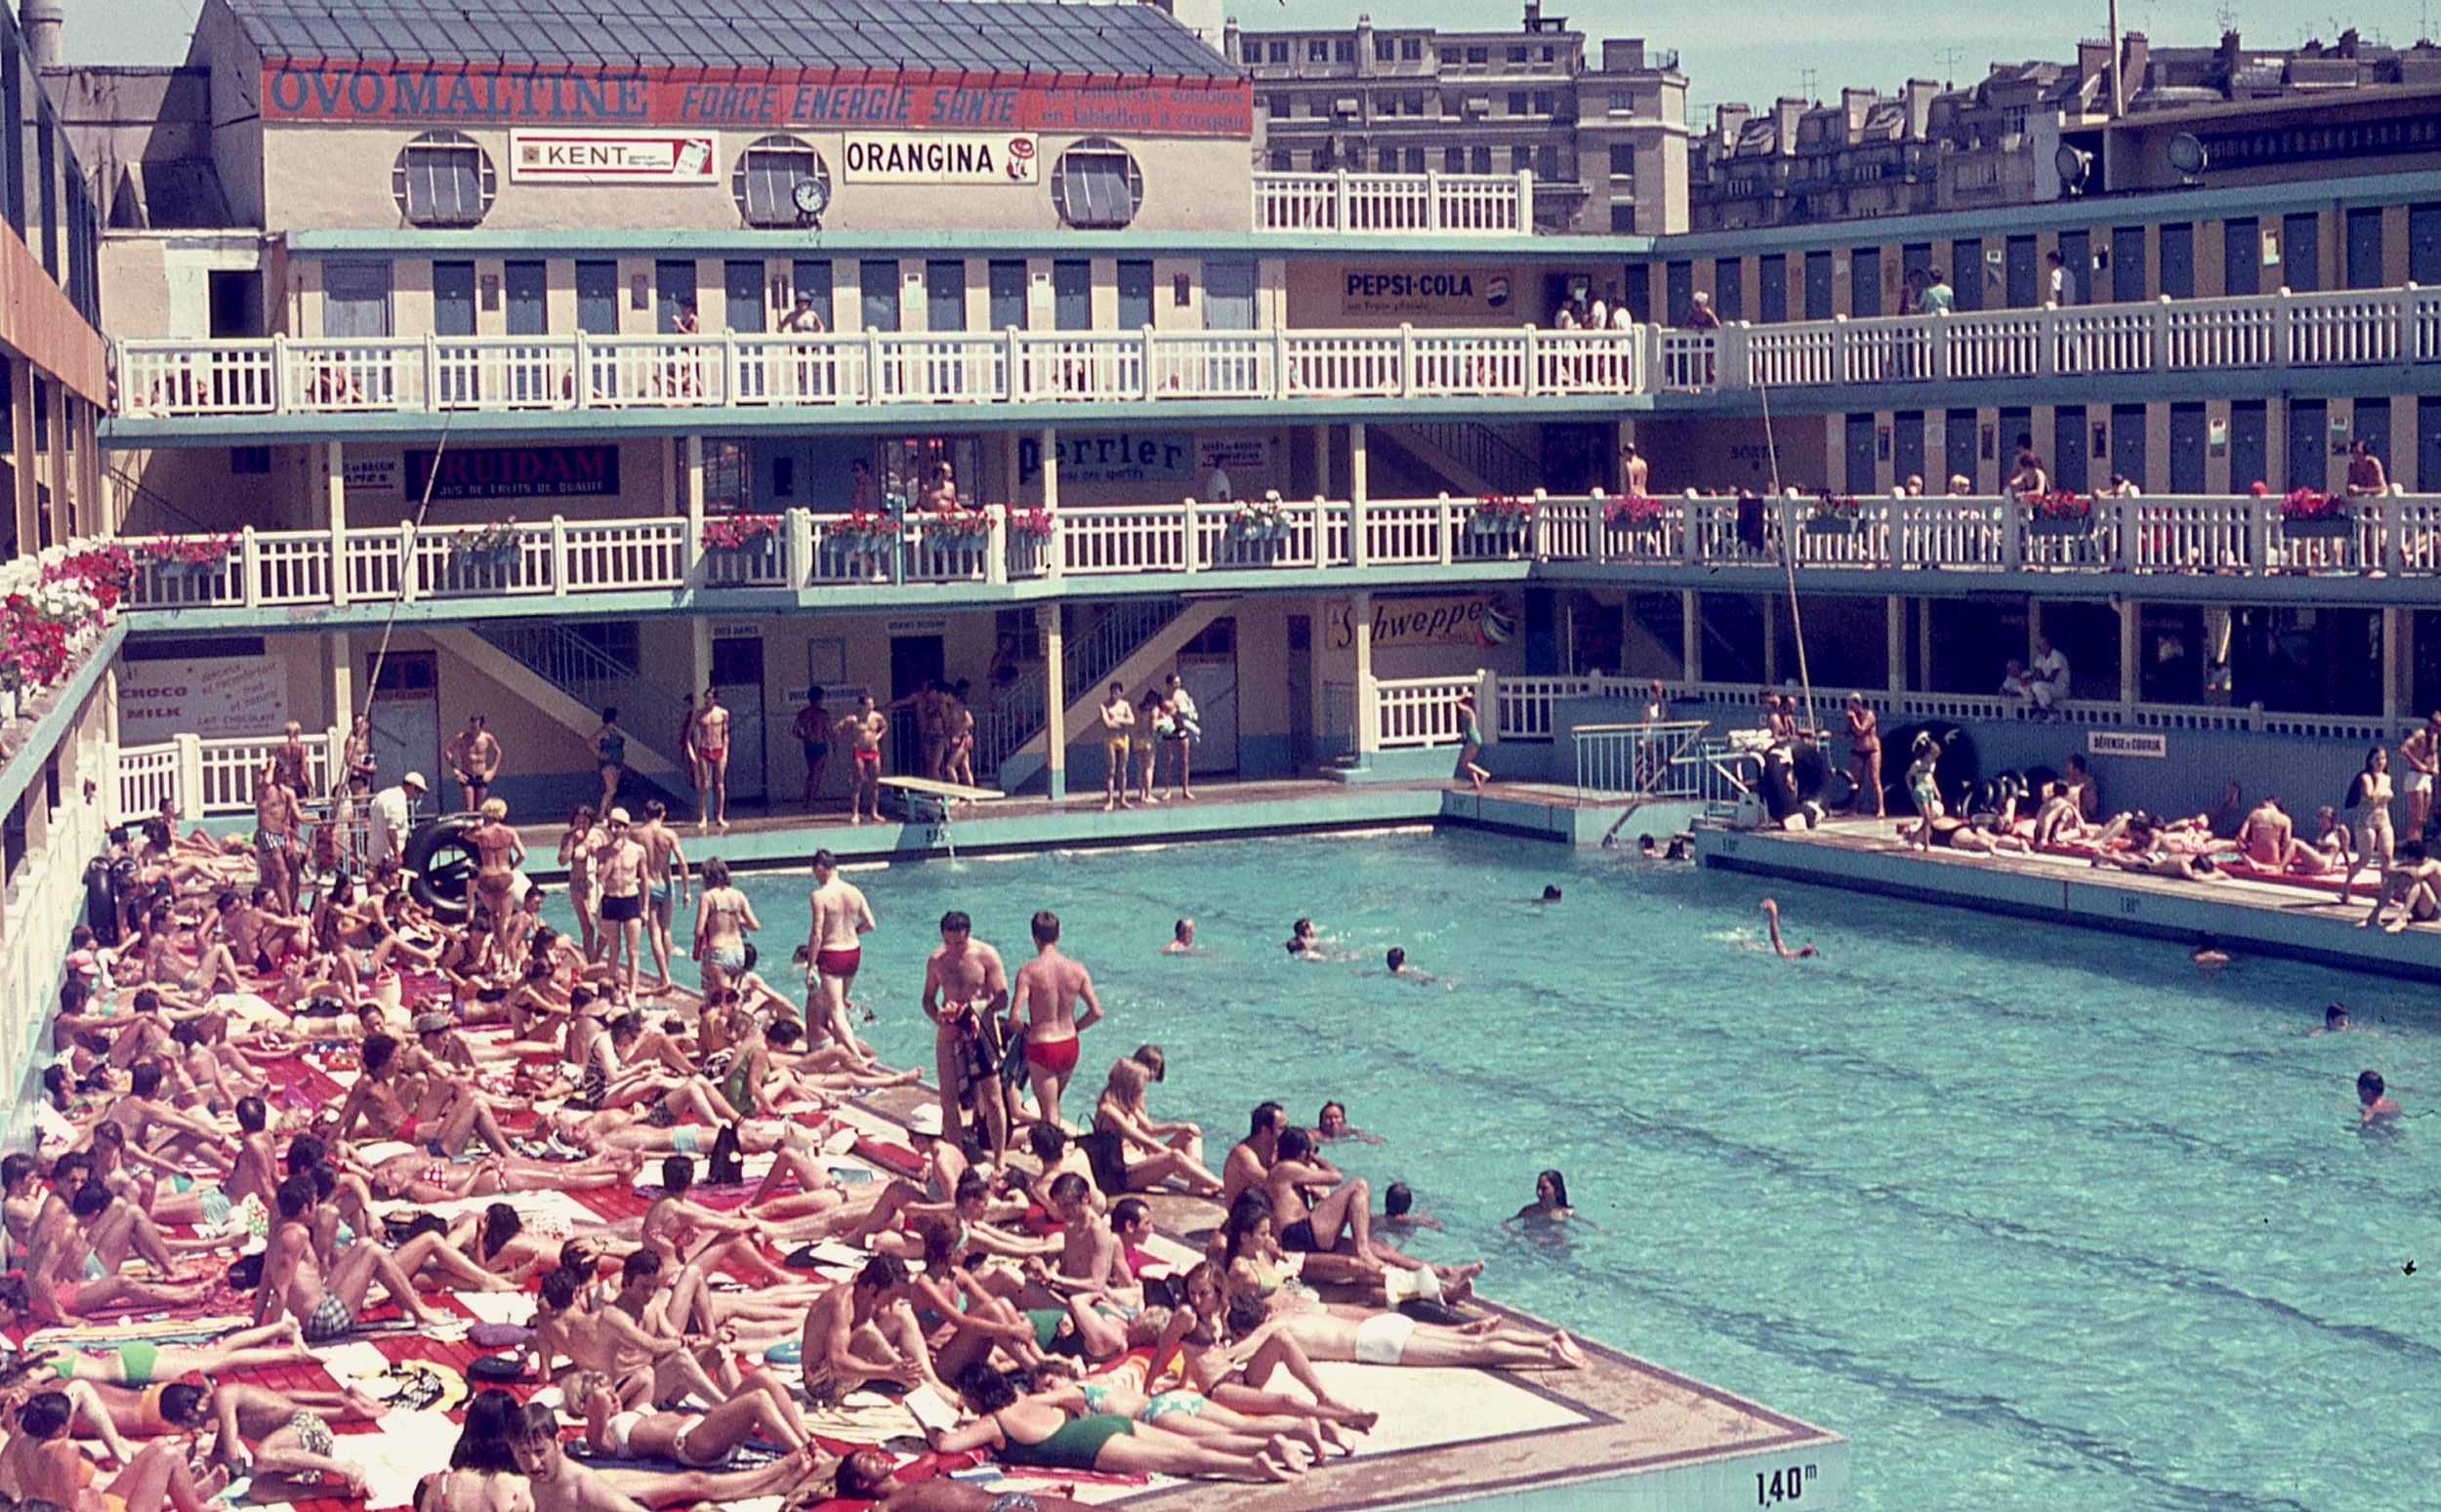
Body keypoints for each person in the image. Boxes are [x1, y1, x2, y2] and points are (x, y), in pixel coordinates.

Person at [924, 909, 1011, 1163]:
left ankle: (999, 1159)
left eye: (959, 943)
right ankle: (957, 1158)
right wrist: (937, 1014)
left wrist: (972, 1010)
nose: (954, 948)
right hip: (949, 1032)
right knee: (948, 1099)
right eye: (948, 942)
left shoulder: (986, 956)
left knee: (993, 1098)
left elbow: (1002, 997)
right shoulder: (937, 960)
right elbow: (928, 999)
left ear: (968, 935)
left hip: (980, 1030)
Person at [1012, 909, 1102, 1132]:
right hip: (1069, 1044)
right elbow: (1096, 1012)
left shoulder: (1028, 972)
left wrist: (1027, 1031)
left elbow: (1014, 1018)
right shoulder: (1077, 969)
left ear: (1034, 938)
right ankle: (1054, 1154)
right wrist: (1076, 1027)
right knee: (1054, 1107)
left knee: (1049, 1113)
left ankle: (1053, 1162)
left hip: (1042, 1046)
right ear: (1059, 934)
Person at [807, 848, 877, 1061]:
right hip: (853, 952)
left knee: (836, 1010)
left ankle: (857, 1058)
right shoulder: (854, 891)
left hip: (832, 954)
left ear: (821, 869)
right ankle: (842, 1052)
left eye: (815, 872)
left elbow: (817, 933)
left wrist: (810, 965)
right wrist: (852, 932)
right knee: (839, 1004)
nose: (815, 877)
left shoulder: (820, 896)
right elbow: (870, 924)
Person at [593, 808, 648, 1005]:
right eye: (612, 826)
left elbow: (644, 881)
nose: (614, 830)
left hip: (631, 899)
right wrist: (612, 856)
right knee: (614, 950)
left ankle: (632, 991)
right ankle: (610, 989)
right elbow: (601, 878)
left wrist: (645, 908)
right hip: (611, 899)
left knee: (632, 950)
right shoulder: (603, 852)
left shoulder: (638, 850)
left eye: (618, 826)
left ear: (626, 828)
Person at [634, 799, 688, 996]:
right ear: (662, 814)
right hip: (666, 885)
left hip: (647, 885)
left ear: (645, 814)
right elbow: (682, 863)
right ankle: (665, 974)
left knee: (654, 933)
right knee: (666, 930)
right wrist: (687, 890)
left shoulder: (637, 834)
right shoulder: (669, 835)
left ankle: (664, 976)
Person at [689, 855, 758, 996]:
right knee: (732, 995)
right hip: (738, 952)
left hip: (719, 952)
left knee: (722, 999)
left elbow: (699, 930)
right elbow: (755, 925)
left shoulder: (707, 897)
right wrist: (735, 919)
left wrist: (696, 950)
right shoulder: (739, 895)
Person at [468, 797, 525, 962]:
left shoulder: (481, 834)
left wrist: (474, 826)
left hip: (486, 876)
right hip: (504, 874)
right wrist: (511, 866)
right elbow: (523, 854)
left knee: (493, 915)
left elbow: (465, 836)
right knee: (505, 919)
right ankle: (506, 958)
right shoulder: (509, 832)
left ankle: (495, 952)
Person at [2342, 746, 2396, 905]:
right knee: (2364, 859)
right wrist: (2380, 783)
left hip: (2384, 820)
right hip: (2367, 821)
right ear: (2371, 761)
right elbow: (2371, 797)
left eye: (2384, 758)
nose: (2381, 762)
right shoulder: (2367, 777)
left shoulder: (2387, 777)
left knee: (2387, 857)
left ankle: (2386, 894)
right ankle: (2347, 886)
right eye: (2377, 759)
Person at [1505, 1168, 1604, 1233]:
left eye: (1544, 1189)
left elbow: (1588, 1224)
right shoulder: (1529, 1210)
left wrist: (1602, 1231)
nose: (1539, 1192)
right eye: (1538, 1188)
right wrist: (1517, 1234)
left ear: (1556, 1189)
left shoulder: (1565, 1212)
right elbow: (1506, 1223)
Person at [839, 694, 887, 824]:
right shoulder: (854, 718)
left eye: (872, 704)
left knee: (874, 782)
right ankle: (855, 813)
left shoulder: (877, 717)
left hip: (873, 750)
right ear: (862, 706)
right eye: (868, 704)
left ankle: (874, 812)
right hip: (860, 751)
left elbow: (884, 727)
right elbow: (839, 727)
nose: (871, 707)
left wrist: (878, 737)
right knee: (857, 782)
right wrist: (848, 739)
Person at [445, 713, 502, 813]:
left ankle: (480, 828)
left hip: (481, 775)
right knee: (469, 809)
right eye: (472, 727)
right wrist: (456, 770)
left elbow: (498, 752)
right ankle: (469, 828)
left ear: (481, 727)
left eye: (475, 727)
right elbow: (447, 751)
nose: (473, 730)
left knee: (481, 808)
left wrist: (492, 771)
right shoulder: (463, 737)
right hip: (467, 774)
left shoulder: (487, 738)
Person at [370, 770, 425, 871]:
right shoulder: (398, 801)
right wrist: (397, 854)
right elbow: (392, 829)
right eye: (418, 791)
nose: (418, 795)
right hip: (388, 857)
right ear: (411, 787)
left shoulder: (384, 794)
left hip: (375, 852)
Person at [693, 689, 730, 833]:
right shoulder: (698, 714)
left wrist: (725, 752)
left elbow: (725, 735)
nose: (707, 701)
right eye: (705, 699)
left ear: (714, 699)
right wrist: (692, 752)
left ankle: (719, 816)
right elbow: (690, 734)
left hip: (718, 749)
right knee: (704, 783)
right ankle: (703, 816)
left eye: (709, 699)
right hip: (704, 748)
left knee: (719, 784)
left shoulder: (723, 713)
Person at [2400, 713, 2438, 842]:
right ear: (2430, 723)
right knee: (2416, 817)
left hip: (2427, 777)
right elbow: (2404, 750)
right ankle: (2411, 848)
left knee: (2423, 819)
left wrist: (2436, 766)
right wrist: (2418, 764)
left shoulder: (2435, 737)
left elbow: (2433, 754)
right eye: (2437, 725)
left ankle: (2418, 846)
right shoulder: (2419, 735)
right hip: (2415, 776)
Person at [1162, 671, 1199, 800]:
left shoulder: (1183, 694)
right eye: (1174, 683)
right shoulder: (1164, 698)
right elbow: (1161, 715)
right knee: (1168, 760)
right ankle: (1168, 790)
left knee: (1184, 760)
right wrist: (1170, 713)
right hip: (1169, 729)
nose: (1177, 686)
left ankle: (1185, 789)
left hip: (1181, 727)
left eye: (1178, 683)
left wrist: (1186, 712)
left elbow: (1191, 709)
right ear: (1168, 685)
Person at [1843, 693, 1882, 818]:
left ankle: (1881, 808)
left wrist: (1853, 718)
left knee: (1874, 779)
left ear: (1858, 704)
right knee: (1857, 781)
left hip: (1872, 750)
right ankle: (1855, 807)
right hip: (1858, 751)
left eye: (1852, 705)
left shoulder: (1869, 715)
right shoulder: (1852, 717)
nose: (1850, 708)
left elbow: (1861, 730)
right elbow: (1848, 733)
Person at [1098, 681, 1135, 811]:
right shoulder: (1104, 706)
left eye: (1117, 692)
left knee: (1123, 770)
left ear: (1120, 693)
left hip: (1123, 739)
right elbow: (1107, 724)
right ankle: (1110, 800)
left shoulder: (1125, 705)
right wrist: (1122, 722)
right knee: (1111, 771)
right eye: (1112, 692)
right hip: (1111, 740)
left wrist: (1117, 720)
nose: (1114, 695)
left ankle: (1123, 799)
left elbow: (1132, 720)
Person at [1905, 732, 1943, 851]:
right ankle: (1925, 842)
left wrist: (1936, 791)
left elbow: (1931, 777)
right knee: (1926, 817)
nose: (1933, 759)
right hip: (1920, 790)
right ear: (1927, 754)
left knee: (1929, 818)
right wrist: (1911, 789)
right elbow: (1908, 776)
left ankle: (1921, 841)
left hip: (1929, 789)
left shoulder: (1932, 765)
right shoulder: (1918, 764)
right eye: (1933, 756)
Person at [590, 707, 628, 814]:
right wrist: (598, 753)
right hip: (608, 762)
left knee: (611, 789)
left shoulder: (614, 731)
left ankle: (609, 811)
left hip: (617, 762)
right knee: (611, 789)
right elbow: (590, 742)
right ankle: (601, 812)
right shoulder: (604, 731)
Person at [1453, 691, 1489, 794]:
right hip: (1473, 738)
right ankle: (1477, 783)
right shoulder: (1469, 712)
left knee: (1466, 763)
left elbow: (1455, 701)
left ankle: (1484, 774)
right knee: (1468, 762)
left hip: (1473, 738)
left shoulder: (1469, 711)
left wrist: (1465, 694)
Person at [2026, 635, 2069, 714]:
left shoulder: (2057, 656)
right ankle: (2039, 712)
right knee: (2027, 688)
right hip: (2049, 687)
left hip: (2060, 688)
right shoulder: (2040, 657)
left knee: (2037, 686)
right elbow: (2035, 673)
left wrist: (2037, 681)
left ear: (2047, 646)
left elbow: (2052, 677)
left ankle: (2053, 712)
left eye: (2039, 647)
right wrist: (2026, 680)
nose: (2038, 649)